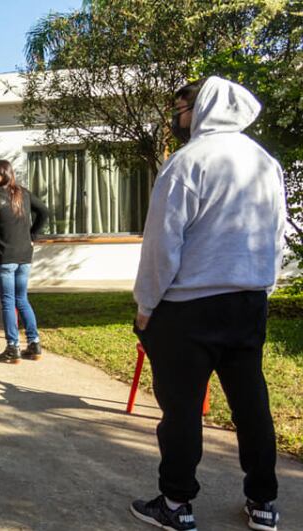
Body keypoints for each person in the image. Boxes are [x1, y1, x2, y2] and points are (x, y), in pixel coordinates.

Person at [130, 77, 286, 531]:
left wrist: (146, 304)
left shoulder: (187, 162)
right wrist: (264, 286)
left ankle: (176, 504)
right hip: (248, 302)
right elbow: (275, 234)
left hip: (187, 309)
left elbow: (161, 244)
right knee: (251, 404)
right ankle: (264, 501)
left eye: (182, 105)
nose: (179, 115)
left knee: (180, 410)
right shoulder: (264, 162)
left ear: (204, 107)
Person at [0, 160, 49, 364]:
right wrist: (32, 235)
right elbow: (44, 211)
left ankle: (12, 348)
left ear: (3, 175)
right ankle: (34, 344)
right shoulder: (23, 193)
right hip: (24, 255)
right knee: (21, 299)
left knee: (7, 301)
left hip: (3, 256)